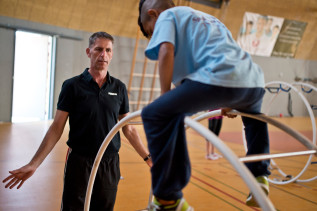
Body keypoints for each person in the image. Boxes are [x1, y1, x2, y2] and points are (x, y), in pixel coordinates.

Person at [138, 0, 270, 210]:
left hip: (219, 81)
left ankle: (169, 198)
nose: (155, 36)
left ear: (153, 14)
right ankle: (259, 178)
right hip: (252, 83)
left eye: (151, 32)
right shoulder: (210, 21)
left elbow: (165, 50)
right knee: (254, 120)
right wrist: (229, 98)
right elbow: (227, 56)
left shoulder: (167, 16)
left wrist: (165, 99)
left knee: (156, 113)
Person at [2, 31, 152, 211]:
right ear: (89, 52)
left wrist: (148, 158)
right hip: (80, 162)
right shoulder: (72, 86)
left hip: (109, 163)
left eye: (108, 50)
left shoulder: (119, 88)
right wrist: (34, 163)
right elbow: (56, 128)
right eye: (98, 49)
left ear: (112, 54)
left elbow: (128, 129)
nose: (103, 54)